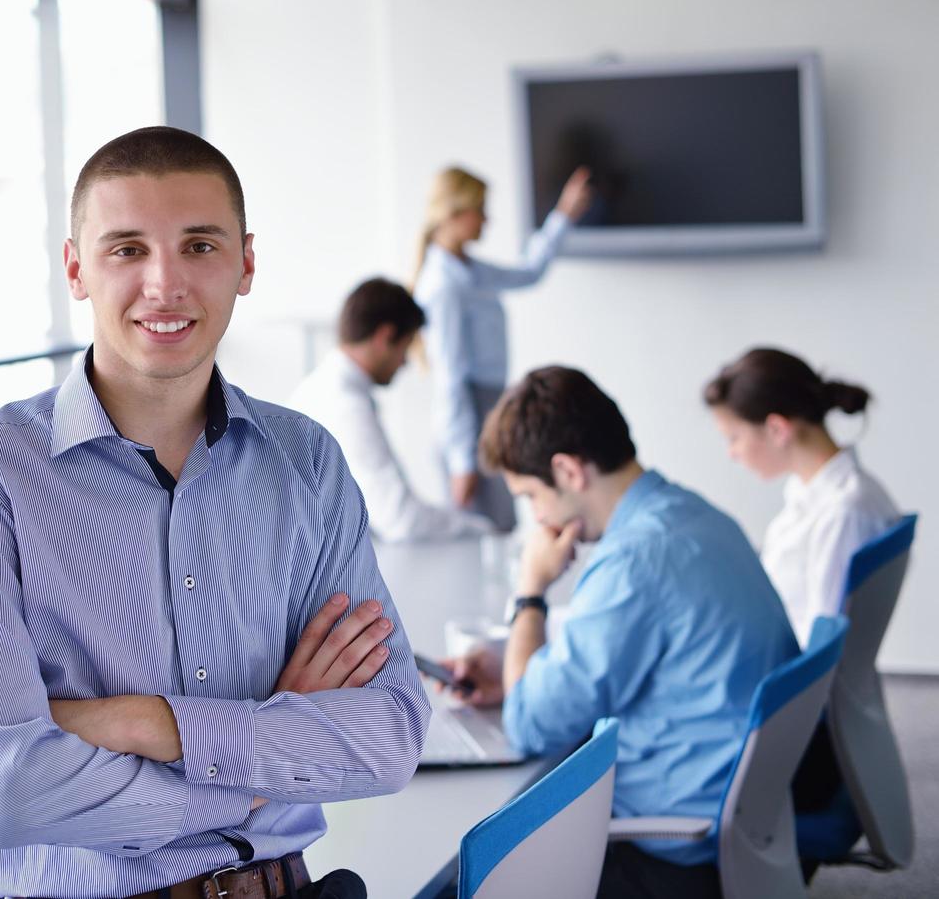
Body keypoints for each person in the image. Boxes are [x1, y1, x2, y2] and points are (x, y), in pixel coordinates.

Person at [0, 126, 429, 899]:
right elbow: (7, 793)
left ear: (245, 263)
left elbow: (388, 738)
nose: (164, 285)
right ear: (75, 268)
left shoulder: (307, 462)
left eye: (199, 246)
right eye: (126, 249)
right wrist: (259, 760)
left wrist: (145, 723)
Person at [442, 366, 797, 899]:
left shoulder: (633, 561)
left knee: (457, 884)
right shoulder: (693, 515)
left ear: (568, 471)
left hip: (671, 853)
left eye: (531, 496)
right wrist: (516, 665)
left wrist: (530, 592)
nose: (536, 517)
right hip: (747, 825)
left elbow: (530, 723)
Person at [411, 165, 593, 532]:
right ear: (456, 213)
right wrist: (463, 462)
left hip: (491, 407)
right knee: (484, 531)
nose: (486, 220)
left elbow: (529, 272)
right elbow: (451, 377)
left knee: (502, 525)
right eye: (480, 210)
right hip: (471, 419)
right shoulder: (443, 285)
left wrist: (563, 215)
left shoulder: (470, 270)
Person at [703, 347, 900, 648]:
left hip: (794, 679)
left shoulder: (843, 512)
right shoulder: (816, 494)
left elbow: (820, 649)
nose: (732, 453)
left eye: (734, 438)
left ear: (777, 429)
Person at [288, 277, 493, 543]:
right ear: (385, 336)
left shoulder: (322, 387)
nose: (405, 363)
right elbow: (401, 519)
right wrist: (483, 530)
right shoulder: (346, 405)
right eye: (405, 347)